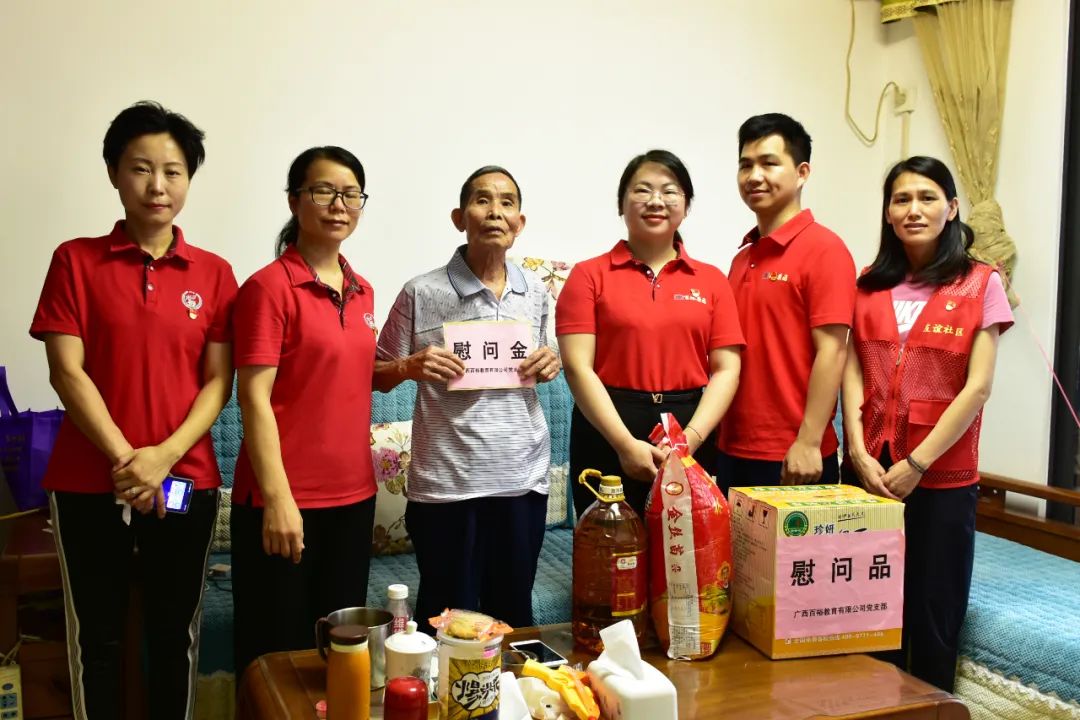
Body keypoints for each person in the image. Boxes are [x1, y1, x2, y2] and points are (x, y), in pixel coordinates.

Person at [29, 101, 237, 719]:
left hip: (184, 481)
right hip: (88, 482)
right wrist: (129, 461)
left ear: (189, 180)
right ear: (114, 174)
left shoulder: (215, 273)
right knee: (96, 638)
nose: (157, 186)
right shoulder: (75, 260)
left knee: (174, 635)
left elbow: (218, 381)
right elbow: (66, 371)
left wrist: (162, 459)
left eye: (173, 171)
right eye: (141, 169)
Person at [841, 156, 1012, 692]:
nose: (913, 209)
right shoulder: (867, 283)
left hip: (941, 476)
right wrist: (856, 450)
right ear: (888, 214)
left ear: (952, 208)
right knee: (866, 609)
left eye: (927, 197)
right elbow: (852, 367)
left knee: (934, 610)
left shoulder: (981, 283)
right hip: (869, 470)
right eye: (901, 199)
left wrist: (917, 463)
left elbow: (978, 387)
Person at [375, 165, 560, 629]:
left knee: (513, 615)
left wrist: (550, 362)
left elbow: (543, 359)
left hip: (522, 482)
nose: (495, 211)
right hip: (446, 488)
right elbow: (374, 374)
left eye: (506, 202)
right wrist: (409, 366)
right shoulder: (421, 291)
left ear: (519, 223)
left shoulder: (536, 291)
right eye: (482, 200)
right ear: (459, 218)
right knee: (447, 620)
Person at [231, 147, 378, 675]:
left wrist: (408, 366)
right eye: (324, 191)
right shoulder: (267, 288)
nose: (339, 204)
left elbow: (347, 376)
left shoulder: (363, 291)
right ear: (295, 201)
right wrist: (277, 500)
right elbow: (253, 397)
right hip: (285, 501)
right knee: (276, 656)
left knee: (339, 657)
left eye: (351, 194)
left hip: (354, 498)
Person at [557, 149, 744, 519]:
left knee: (687, 549)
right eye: (642, 190)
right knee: (609, 547)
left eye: (669, 191)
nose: (656, 201)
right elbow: (578, 367)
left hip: (689, 427)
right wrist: (624, 444)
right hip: (607, 426)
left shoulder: (712, 281)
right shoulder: (588, 275)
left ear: (686, 206)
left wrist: (690, 441)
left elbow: (727, 369)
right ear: (621, 204)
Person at [718, 114, 856, 492]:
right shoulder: (742, 258)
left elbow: (833, 350)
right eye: (746, 165)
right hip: (732, 446)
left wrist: (809, 441)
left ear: (802, 172)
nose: (754, 176)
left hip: (794, 455)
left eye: (769, 163)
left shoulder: (825, 249)